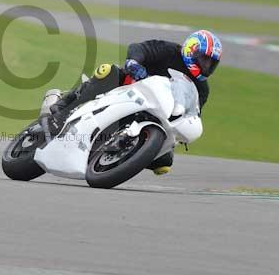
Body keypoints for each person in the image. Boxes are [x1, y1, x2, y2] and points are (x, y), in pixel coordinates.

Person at [47, 29, 222, 175]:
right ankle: (65, 105)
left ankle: (123, 157)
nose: (206, 65)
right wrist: (134, 62)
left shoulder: (202, 88)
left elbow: (193, 112)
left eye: (211, 63)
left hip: (159, 114)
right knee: (107, 71)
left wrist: (185, 128)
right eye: (204, 59)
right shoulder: (169, 51)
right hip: (132, 88)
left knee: (164, 163)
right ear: (191, 50)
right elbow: (139, 48)